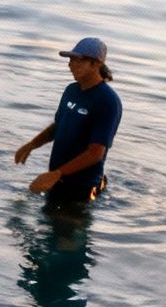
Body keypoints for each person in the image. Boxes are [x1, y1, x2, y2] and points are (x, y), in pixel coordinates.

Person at [14, 37, 120, 208]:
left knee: (64, 231)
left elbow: (96, 153)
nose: (70, 65)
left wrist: (57, 174)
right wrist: (32, 144)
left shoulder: (107, 101)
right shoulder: (71, 90)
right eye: (70, 60)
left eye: (78, 61)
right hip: (57, 181)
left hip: (81, 189)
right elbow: (58, 126)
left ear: (96, 64)